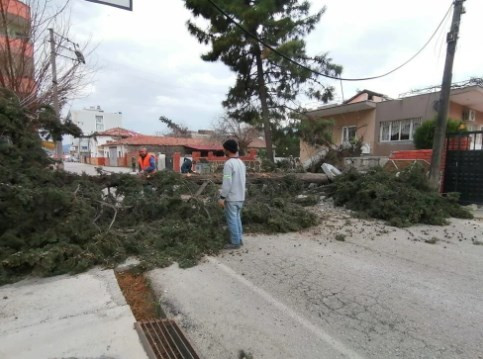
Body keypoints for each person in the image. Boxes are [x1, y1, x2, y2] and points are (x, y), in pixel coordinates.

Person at [218, 139, 246, 249]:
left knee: (232, 219)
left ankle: (235, 243)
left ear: (228, 149)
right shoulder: (241, 163)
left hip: (232, 197)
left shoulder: (229, 164)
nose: (223, 150)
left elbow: (227, 182)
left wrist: (222, 197)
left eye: (224, 149)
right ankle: (239, 239)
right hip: (241, 197)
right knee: (237, 218)